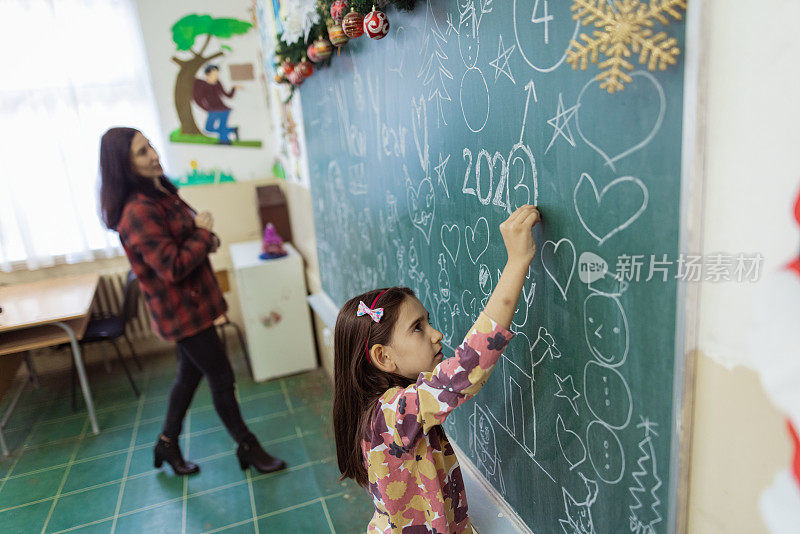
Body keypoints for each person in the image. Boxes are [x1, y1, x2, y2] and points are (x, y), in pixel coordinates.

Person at [332, 205, 542, 532]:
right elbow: (464, 371)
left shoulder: (388, 408)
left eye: (428, 321)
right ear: (383, 356)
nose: (436, 334)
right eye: (418, 327)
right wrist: (516, 263)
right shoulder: (392, 413)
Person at [98, 127, 285, 476]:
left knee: (188, 375)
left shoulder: (160, 193)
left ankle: (167, 444)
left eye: (151, 145)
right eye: (142, 152)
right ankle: (247, 445)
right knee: (220, 375)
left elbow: (193, 235)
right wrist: (202, 233)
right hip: (182, 312)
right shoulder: (137, 212)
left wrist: (203, 235)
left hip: (194, 304)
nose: (154, 154)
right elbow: (173, 265)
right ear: (123, 165)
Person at [192, 65, 240, 144]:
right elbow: (198, 98)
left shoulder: (218, 83)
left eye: (217, 73)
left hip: (223, 109)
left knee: (221, 128)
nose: (216, 75)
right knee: (208, 128)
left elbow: (228, 95)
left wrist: (233, 88)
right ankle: (232, 130)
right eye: (214, 74)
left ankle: (225, 141)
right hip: (213, 110)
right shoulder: (202, 85)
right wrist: (206, 108)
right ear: (207, 74)